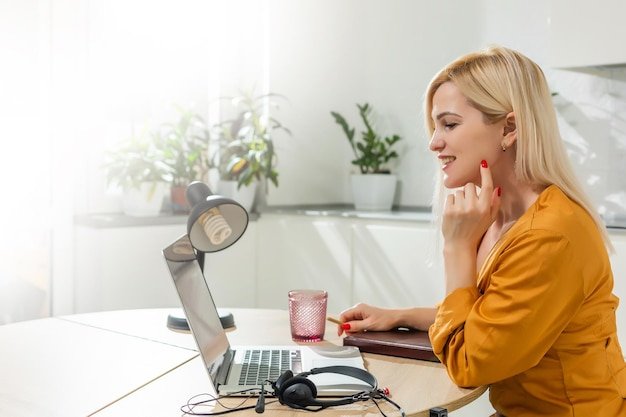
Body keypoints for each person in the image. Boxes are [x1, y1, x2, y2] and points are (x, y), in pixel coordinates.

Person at [337, 45, 626, 417]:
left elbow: (471, 364)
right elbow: (489, 315)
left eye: (450, 124)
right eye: (435, 125)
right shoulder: (500, 215)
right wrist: (402, 316)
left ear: (509, 128)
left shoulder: (550, 235)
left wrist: (456, 248)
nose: (433, 142)